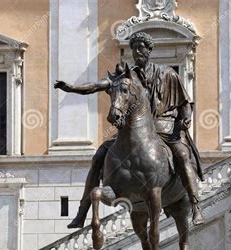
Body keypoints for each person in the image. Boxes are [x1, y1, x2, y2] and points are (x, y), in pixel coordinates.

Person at [54, 31, 204, 229]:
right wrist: (72, 88)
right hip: (134, 129)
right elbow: (97, 85)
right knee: (98, 156)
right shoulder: (126, 78)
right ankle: (83, 211)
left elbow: (185, 103)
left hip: (164, 126)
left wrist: (186, 118)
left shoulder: (168, 73)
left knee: (183, 155)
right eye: (134, 48)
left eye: (142, 47)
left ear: (149, 50)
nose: (138, 51)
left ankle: (195, 205)